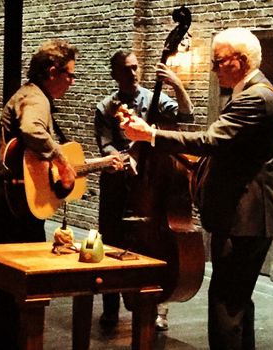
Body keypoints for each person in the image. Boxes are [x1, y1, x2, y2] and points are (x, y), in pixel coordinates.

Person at [120, 28, 273, 350]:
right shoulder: (251, 93)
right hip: (244, 220)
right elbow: (228, 154)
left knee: (225, 308)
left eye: (218, 61)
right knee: (236, 304)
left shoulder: (255, 97)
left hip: (243, 221)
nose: (213, 68)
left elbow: (211, 141)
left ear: (240, 60)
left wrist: (151, 135)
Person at [0, 39, 120, 349]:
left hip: (13, 202)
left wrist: (92, 164)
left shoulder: (32, 95)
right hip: (15, 206)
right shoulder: (36, 99)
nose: (72, 82)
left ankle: (4, 338)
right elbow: (32, 131)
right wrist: (61, 158)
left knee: (8, 284)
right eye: (70, 75)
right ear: (51, 71)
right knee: (21, 282)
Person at [94, 50, 194, 330]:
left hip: (151, 184)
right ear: (114, 73)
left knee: (156, 245)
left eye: (135, 68)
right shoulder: (105, 107)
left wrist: (176, 84)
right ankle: (110, 308)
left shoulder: (153, 98)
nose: (133, 73)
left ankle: (159, 307)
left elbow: (186, 114)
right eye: (126, 69)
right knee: (111, 241)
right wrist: (128, 159)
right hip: (118, 182)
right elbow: (106, 147)